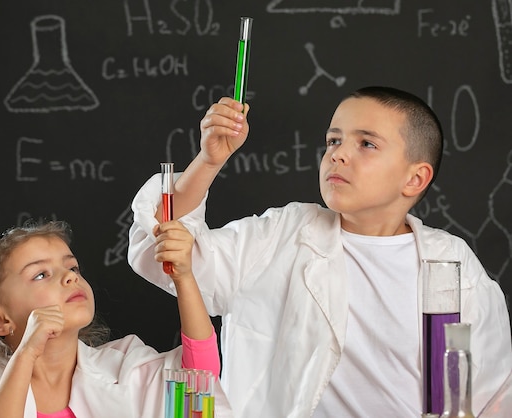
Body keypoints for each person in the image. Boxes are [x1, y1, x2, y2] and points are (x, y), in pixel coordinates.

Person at [127, 87, 512, 417]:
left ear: (414, 178)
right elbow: (168, 258)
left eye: (367, 143)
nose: (339, 154)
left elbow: (493, 395)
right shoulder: (283, 235)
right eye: (333, 140)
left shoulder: (452, 266)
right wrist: (209, 161)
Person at [0, 219, 232, 417]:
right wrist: (27, 353)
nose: (69, 278)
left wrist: (184, 277)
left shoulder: (123, 366)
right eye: (41, 274)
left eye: (71, 268)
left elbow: (198, 382)